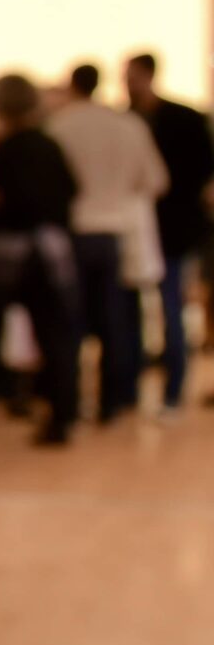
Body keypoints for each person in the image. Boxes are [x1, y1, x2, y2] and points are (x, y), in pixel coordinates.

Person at [0, 73, 80, 446]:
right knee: (54, 336)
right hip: (49, 251)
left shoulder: (8, 149)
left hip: (5, 253)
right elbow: (70, 192)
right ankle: (62, 414)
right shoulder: (49, 145)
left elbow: (3, 199)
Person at [49, 62, 163, 422]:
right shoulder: (128, 126)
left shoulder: (60, 127)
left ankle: (69, 404)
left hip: (76, 232)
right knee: (115, 321)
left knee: (70, 323)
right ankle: (113, 401)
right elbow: (155, 181)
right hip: (115, 233)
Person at [122, 53, 214, 409]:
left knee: (171, 306)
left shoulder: (183, 119)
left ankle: (173, 390)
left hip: (173, 230)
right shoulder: (128, 120)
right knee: (130, 311)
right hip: (138, 230)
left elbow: (198, 172)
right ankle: (128, 390)